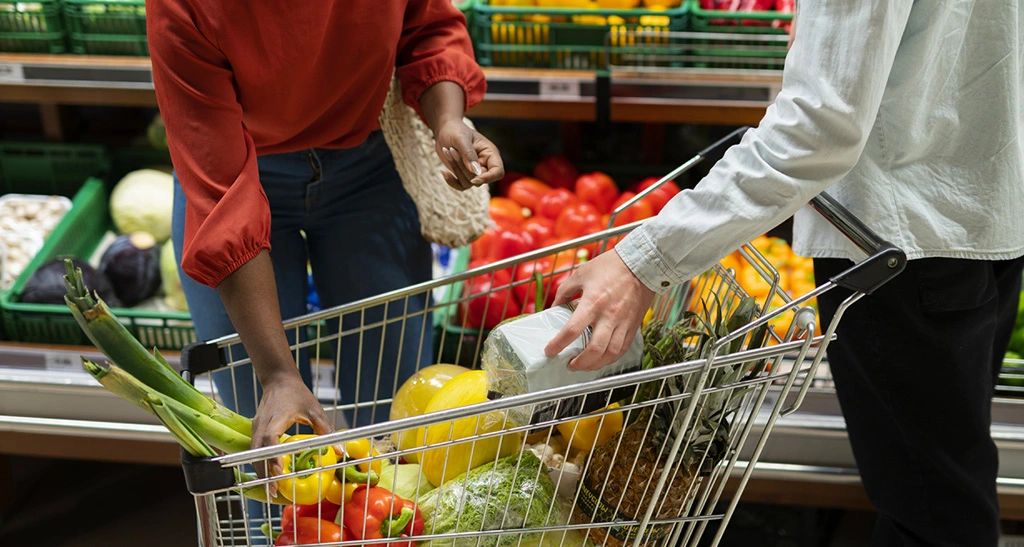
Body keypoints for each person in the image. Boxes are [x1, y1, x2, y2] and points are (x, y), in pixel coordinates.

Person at [546, 1, 1024, 545]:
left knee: (933, 516)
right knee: (945, 491)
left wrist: (641, 262)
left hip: (898, 241)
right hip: (975, 214)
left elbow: (819, 126)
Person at [147, 0, 503, 486]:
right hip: (236, 166)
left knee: (394, 427)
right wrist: (278, 374)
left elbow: (427, 24)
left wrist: (446, 119)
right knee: (269, 444)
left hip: (370, 167)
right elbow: (222, 197)